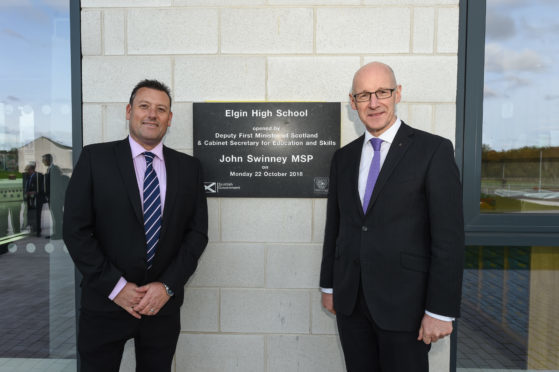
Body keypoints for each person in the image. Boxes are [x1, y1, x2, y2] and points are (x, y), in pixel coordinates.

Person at [319, 62, 464, 372]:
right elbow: (336, 227)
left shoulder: (433, 151)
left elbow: (448, 237)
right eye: (363, 95)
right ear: (352, 102)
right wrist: (329, 286)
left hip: (406, 307)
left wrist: (440, 310)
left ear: (398, 93)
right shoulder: (343, 158)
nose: (374, 103)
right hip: (351, 303)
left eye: (382, 92)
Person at [63, 79, 208, 372]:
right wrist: (116, 287)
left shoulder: (189, 168)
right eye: (144, 106)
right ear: (129, 111)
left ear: (169, 118)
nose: (152, 114)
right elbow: (75, 231)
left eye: (161, 109)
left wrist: (166, 286)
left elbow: (197, 234)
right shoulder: (95, 159)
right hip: (105, 303)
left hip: (161, 307)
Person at [42, 153, 66, 239]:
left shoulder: (54, 169)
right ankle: (57, 232)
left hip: (55, 197)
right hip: (51, 197)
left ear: (48, 160)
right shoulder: (49, 169)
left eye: (44, 160)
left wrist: (54, 196)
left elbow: (56, 185)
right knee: (55, 215)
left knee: (57, 215)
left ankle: (59, 234)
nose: (42, 162)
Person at [23, 163, 45, 236]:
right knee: (31, 213)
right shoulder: (28, 177)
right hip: (30, 199)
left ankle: (38, 231)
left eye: (28, 170)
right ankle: (33, 228)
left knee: (37, 214)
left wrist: (33, 192)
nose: (27, 171)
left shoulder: (39, 176)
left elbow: (41, 188)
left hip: (37, 198)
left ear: (32, 170)